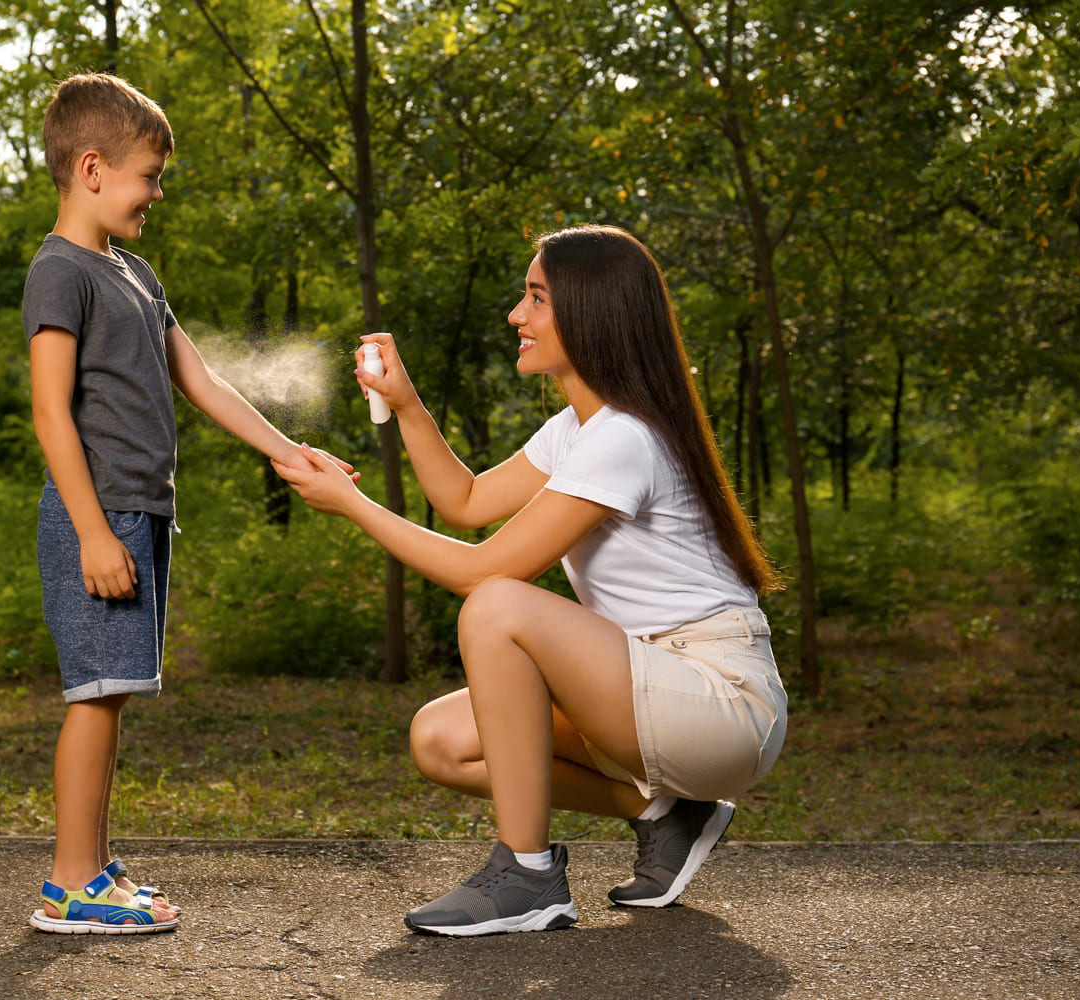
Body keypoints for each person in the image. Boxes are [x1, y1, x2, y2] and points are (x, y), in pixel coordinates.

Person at [272, 224, 788, 937]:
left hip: (720, 704)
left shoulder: (623, 437)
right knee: (443, 739)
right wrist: (411, 404)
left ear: (591, 311)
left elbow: (482, 570)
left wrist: (353, 504)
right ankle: (666, 814)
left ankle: (527, 875)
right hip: (650, 691)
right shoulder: (578, 430)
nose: (518, 315)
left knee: (497, 605)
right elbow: (468, 502)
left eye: (537, 298)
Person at [21, 72, 353, 934]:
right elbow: (50, 412)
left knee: (114, 691)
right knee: (94, 695)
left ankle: (93, 866)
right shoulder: (59, 273)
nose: (157, 193)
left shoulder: (132, 270)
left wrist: (289, 450)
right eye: (148, 177)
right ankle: (68, 884)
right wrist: (93, 531)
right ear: (91, 169)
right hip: (98, 516)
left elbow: (200, 380)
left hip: (140, 513)